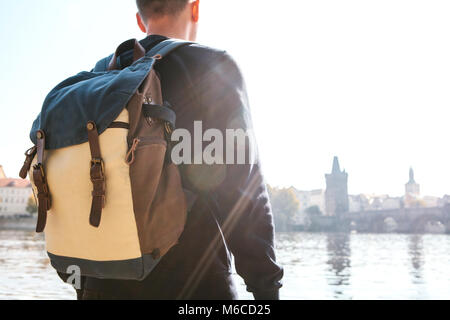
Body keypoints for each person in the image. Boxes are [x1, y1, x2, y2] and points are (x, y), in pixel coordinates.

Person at [76, 0, 283, 300]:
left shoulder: (97, 77)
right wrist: (267, 289)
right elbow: (243, 192)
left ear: (140, 20)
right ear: (195, 7)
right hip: (194, 284)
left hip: (99, 284)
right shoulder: (211, 66)